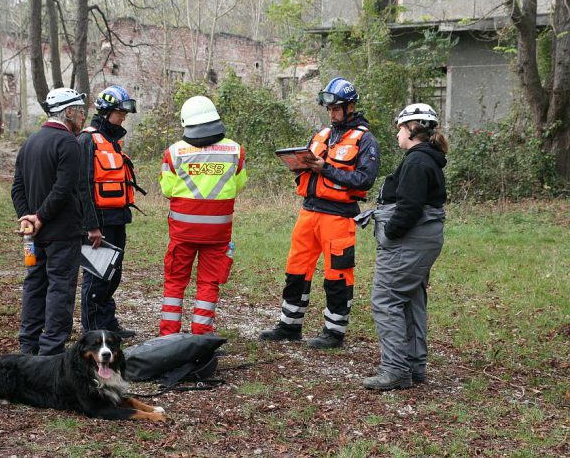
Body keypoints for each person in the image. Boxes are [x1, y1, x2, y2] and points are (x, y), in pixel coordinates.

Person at [259, 77, 380, 349]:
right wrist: (299, 166)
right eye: (330, 109)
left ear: (350, 107)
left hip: (339, 216)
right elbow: (310, 166)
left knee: (338, 273)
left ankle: (334, 331)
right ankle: (289, 325)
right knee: (296, 269)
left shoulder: (365, 140)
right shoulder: (322, 134)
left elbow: (365, 180)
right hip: (309, 211)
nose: (332, 113)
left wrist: (325, 169)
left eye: (337, 108)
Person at [362, 103, 448, 390]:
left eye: (400, 127)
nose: (397, 133)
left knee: (386, 300)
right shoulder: (427, 159)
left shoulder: (417, 161)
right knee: (410, 299)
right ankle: (413, 365)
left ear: (413, 129)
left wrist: (391, 232)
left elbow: (409, 207)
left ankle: (396, 369)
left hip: (408, 242)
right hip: (424, 240)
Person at [159, 96, 247, 336]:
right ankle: (201, 333)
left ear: (186, 123)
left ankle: (169, 336)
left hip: (182, 233)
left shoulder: (174, 152)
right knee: (209, 283)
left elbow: (167, 189)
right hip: (218, 234)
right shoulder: (235, 151)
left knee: (176, 282)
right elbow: (239, 185)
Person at [11, 87, 87, 355]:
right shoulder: (68, 143)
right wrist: (39, 217)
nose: (82, 118)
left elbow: (17, 187)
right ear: (67, 112)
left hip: (36, 234)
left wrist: (27, 218)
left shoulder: (30, 142)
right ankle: (51, 352)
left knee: (34, 284)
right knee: (60, 289)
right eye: (80, 112)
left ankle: (28, 347)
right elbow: (64, 188)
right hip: (62, 233)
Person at [77, 85, 144, 338]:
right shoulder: (87, 140)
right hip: (98, 222)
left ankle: (107, 323)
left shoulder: (112, 142)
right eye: (119, 112)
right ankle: (92, 329)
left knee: (113, 274)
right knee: (97, 275)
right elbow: (82, 187)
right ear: (106, 112)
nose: (124, 116)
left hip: (116, 218)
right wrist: (90, 225)